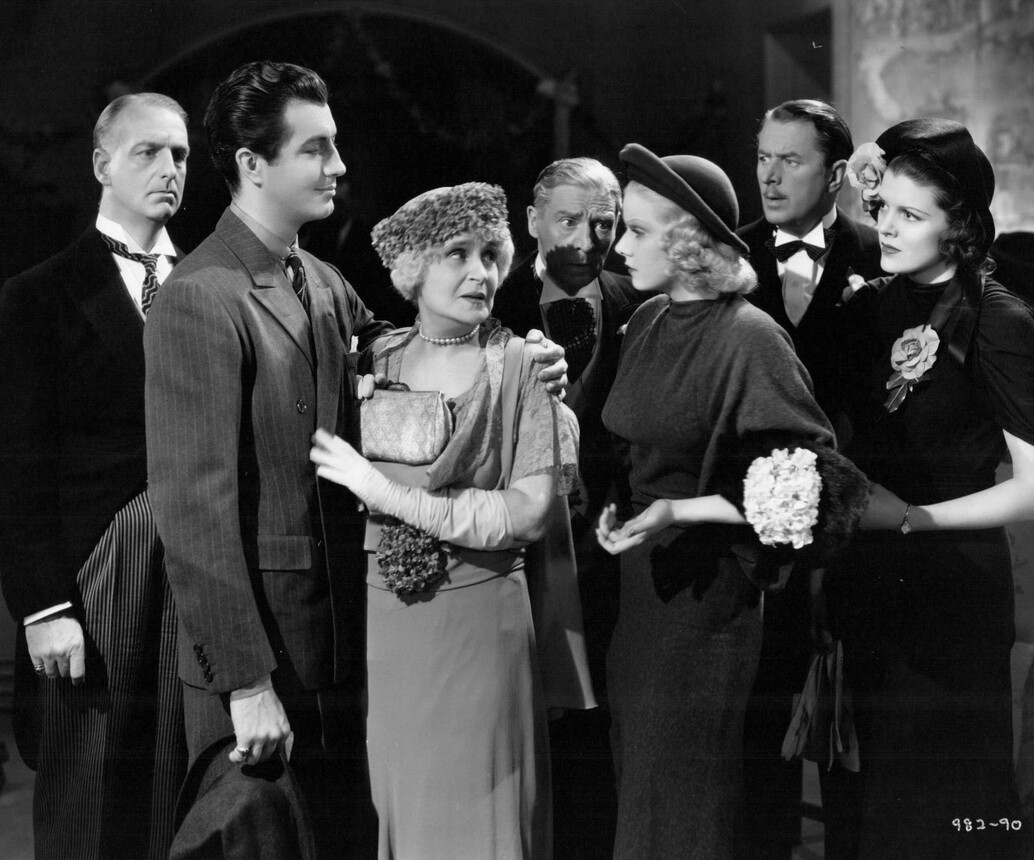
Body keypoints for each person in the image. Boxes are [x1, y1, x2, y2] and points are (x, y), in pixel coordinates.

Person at [144, 61, 568, 858]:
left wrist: (526, 355)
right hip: (260, 660)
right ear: (253, 164)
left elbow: (408, 344)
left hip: (342, 644)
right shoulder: (199, 297)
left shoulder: (321, 278)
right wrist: (245, 682)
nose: (338, 165)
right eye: (316, 148)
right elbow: (192, 513)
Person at [596, 144, 867, 860]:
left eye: (638, 231)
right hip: (640, 601)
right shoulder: (647, 320)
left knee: (684, 816)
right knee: (642, 799)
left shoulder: (749, 337)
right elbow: (638, 443)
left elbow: (817, 489)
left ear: (689, 241)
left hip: (706, 609)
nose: (621, 246)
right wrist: (624, 507)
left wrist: (680, 511)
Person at [309, 181, 589, 860]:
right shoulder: (375, 360)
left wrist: (388, 494)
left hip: (482, 624)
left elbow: (527, 512)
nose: (480, 273)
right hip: (392, 628)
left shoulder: (522, 365)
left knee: (481, 812)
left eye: (490, 255)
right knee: (406, 804)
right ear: (413, 268)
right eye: (456, 254)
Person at [833, 117, 1034, 859]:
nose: (886, 226)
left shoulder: (997, 320)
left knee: (951, 811)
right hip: (872, 579)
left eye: (911, 216)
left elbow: (1033, 488)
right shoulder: (868, 307)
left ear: (959, 227)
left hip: (954, 590)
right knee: (883, 806)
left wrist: (914, 518)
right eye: (883, 208)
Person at [0, 92, 190, 859]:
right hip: (93, 581)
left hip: (200, 573)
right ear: (102, 165)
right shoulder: (39, 294)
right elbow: (17, 463)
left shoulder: (217, 286)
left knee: (190, 802)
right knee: (90, 812)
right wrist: (44, 606)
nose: (169, 168)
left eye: (179, 154)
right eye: (148, 151)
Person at [737, 99, 882, 860]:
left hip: (858, 537)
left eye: (790, 160)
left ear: (835, 174)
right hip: (750, 542)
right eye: (763, 156)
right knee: (759, 738)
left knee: (852, 736)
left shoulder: (882, 255)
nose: (769, 175)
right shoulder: (729, 257)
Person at [492, 156, 646, 854]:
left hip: (616, 557)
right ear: (532, 221)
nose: (587, 240)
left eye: (603, 223)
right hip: (518, 557)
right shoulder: (486, 300)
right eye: (569, 221)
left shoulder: (642, 301)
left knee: (601, 741)